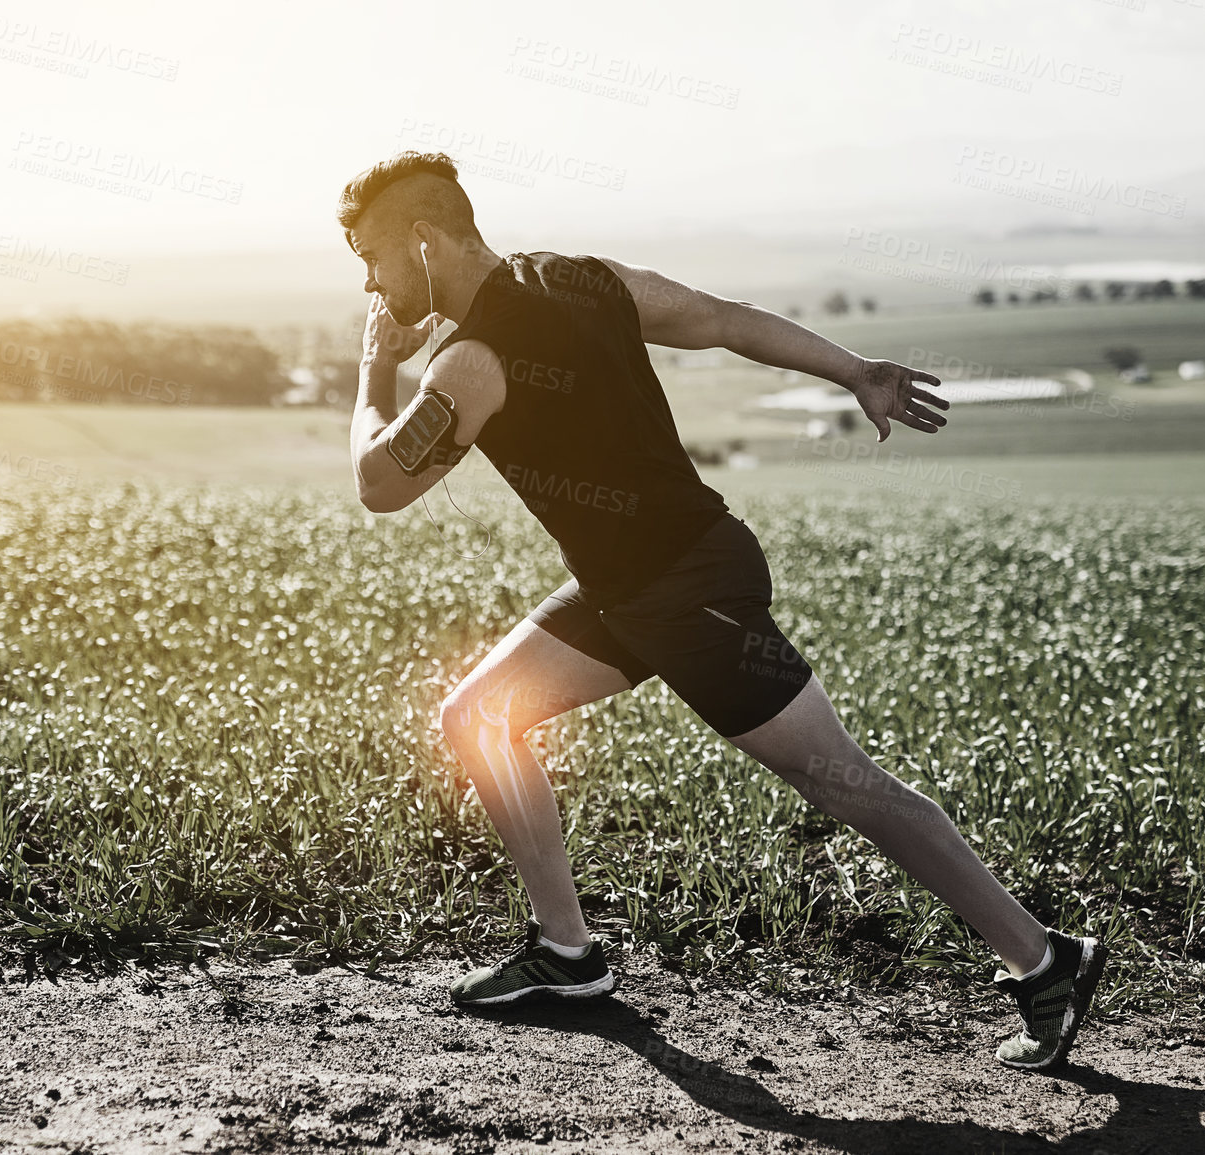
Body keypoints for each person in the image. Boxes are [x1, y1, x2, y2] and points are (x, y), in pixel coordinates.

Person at [336, 151, 1107, 1072]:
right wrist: (853, 369)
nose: (371, 283)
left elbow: (378, 483)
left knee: (842, 781)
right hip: (630, 589)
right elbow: (720, 320)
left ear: (424, 239)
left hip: (688, 592)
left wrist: (371, 370)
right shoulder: (586, 279)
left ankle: (1044, 958)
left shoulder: (471, 361)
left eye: (373, 257)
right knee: (477, 717)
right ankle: (567, 955)